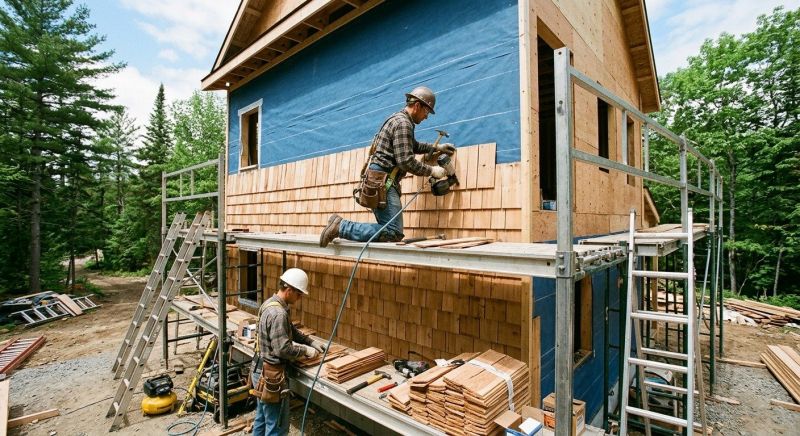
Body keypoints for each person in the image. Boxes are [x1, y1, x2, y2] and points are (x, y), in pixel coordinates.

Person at [319, 86, 455, 247]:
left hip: (380, 179)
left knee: (390, 230)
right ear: (417, 105)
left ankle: (340, 226)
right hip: (383, 182)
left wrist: (435, 148)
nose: (426, 117)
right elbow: (406, 161)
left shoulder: (398, 119)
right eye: (426, 111)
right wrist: (432, 170)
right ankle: (341, 226)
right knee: (393, 232)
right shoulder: (403, 123)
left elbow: (411, 145)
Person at [251, 268, 326, 436]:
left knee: (262, 420)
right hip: (271, 376)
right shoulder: (278, 313)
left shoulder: (271, 303)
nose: (300, 298)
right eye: (299, 294)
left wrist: (310, 341)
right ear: (289, 290)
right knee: (276, 426)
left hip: (259, 369)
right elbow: (282, 349)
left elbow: (290, 329)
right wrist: (306, 350)